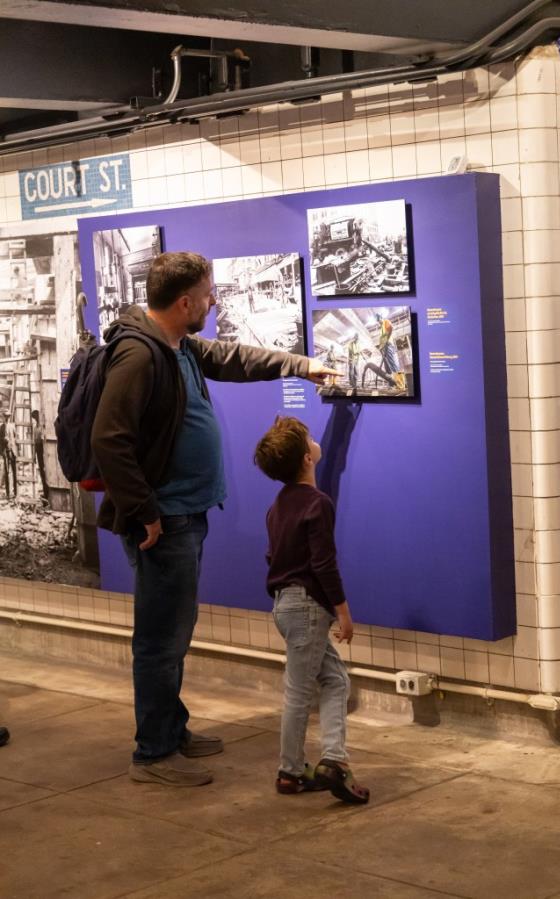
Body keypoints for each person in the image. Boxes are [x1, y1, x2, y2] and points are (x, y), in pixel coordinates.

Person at [91, 252, 338, 788]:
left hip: (184, 515)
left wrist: (299, 364)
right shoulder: (139, 355)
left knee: (175, 632)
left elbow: (232, 357)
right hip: (165, 522)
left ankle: (172, 729)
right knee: (160, 639)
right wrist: (144, 512)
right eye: (207, 295)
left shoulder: (177, 345)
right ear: (184, 303)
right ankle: (153, 754)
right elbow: (109, 440)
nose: (213, 301)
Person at [254, 416, 369, 804]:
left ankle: (333, 759)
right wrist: (343, 611)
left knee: (335, 680)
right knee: (299, 692)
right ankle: (290, 770)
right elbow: (323, 563)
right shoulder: (318, 504)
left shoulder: (278, 506)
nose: (316, 441)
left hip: (285, 607)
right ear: (307, 457)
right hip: (307, 609)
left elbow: (274, 556)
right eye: (310, 438)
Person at [31, 410, 49, 502]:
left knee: (46, 470)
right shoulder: (35, 428)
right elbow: (34, 443)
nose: (36, 419)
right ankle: (46, 492)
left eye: (36, 418)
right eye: (35, 418)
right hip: (38, 450)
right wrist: (34, 455)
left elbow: (44, 440)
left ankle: (48, 492)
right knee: (42, 471)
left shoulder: (42, 427)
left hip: (43, 449)